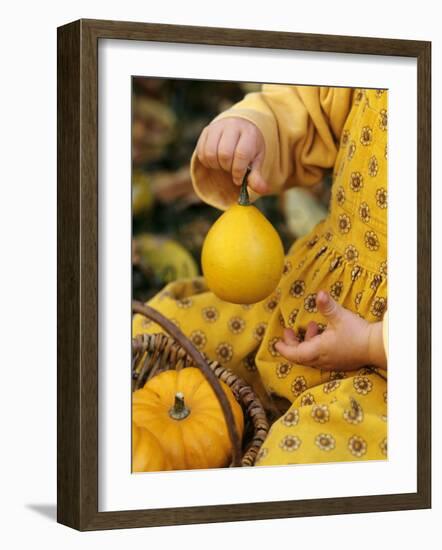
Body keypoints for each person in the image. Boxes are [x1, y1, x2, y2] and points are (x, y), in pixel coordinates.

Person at [133, 85, 388, 465]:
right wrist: (257, 127)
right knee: (162, 336)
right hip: (312, 288)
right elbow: (307, 104)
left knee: (304, 461)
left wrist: (374, 342)